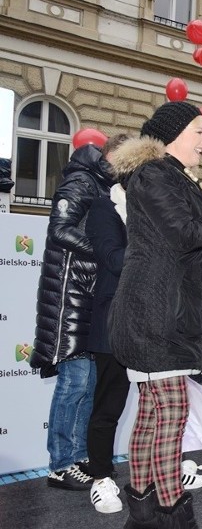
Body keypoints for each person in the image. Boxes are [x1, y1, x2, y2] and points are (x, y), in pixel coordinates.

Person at [109, 101, 202, 527]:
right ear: (173, 133)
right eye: (199, 132)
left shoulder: (173, 178)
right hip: (154, 315)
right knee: (169, 415)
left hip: (162, 313)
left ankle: (142, 510)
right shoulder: (154, 175)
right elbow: (186, 236)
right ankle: (171, 514)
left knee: (154, 416)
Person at [84, 135, 202, 514]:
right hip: (128, 315)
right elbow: (116, 258)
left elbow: (196, 245)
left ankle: (149, 502)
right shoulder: (110, 205)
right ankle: (109, 481)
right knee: (122, 408)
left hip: (157, 313)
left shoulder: (151, 197)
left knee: (152, 411)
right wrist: (155, 243)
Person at [30, 135, 116, 490]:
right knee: (74, 383)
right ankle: (60, 464)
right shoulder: (81, 180)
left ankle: (78, 457)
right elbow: (60, 230)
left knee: (88, 383)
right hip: (69, 297)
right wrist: (103, 251)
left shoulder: (101, 183)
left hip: (87, 295)